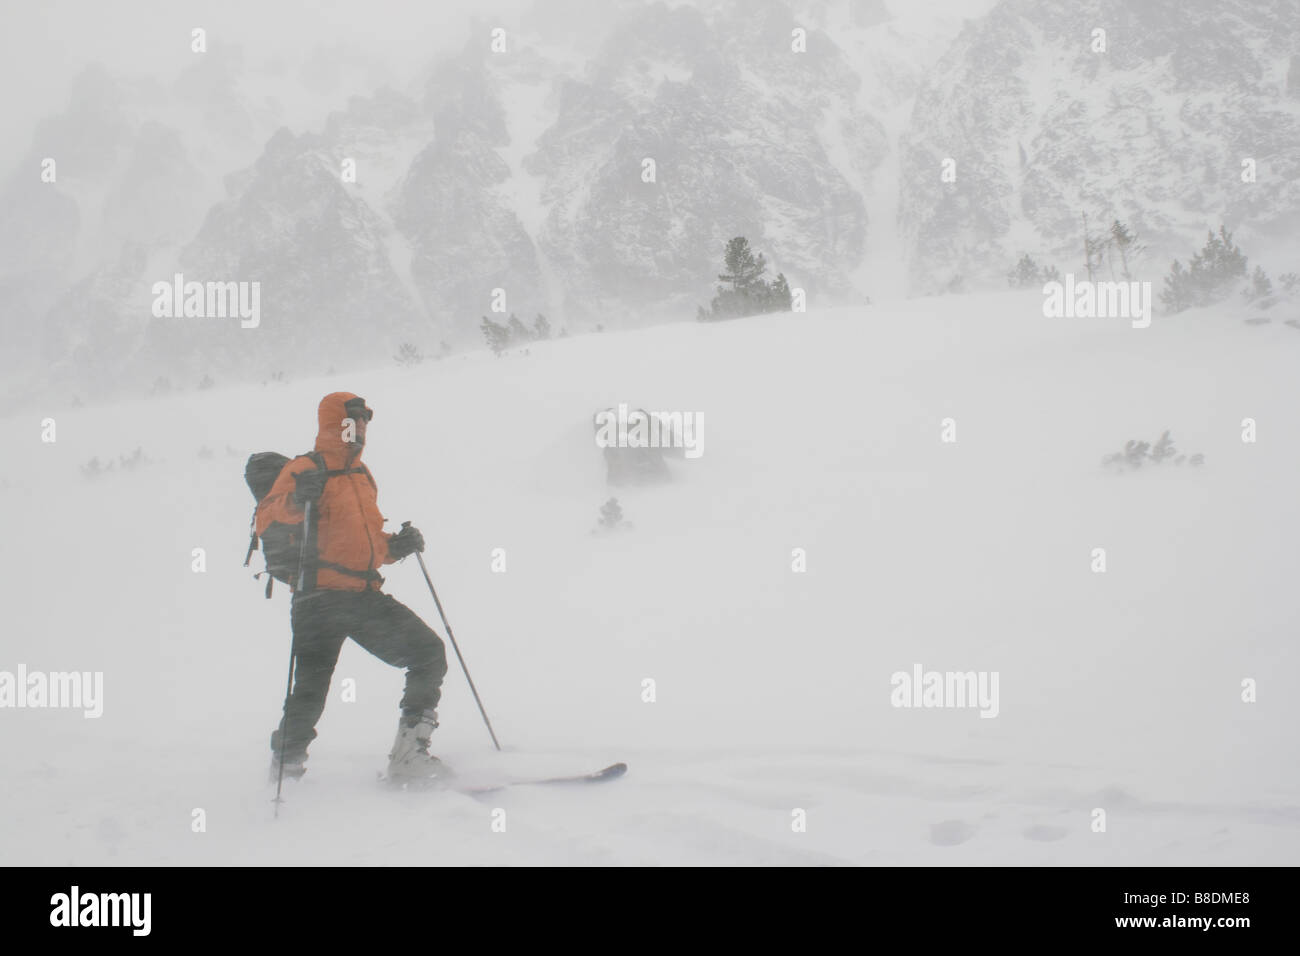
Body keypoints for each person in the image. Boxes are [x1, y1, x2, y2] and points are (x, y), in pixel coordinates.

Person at [258, 391, 448, 783]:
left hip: (362, 596)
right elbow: (268, 519)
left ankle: (409, 755)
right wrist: (297, 498)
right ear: (333, 423)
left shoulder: (361, 476)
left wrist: (395, 546)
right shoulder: (304, 469)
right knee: (311, 690)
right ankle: (286, 763)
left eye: (363, 421)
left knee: (428, 652)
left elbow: (365, 543)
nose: (359, 427)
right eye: (353, 420)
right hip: (317, 599)